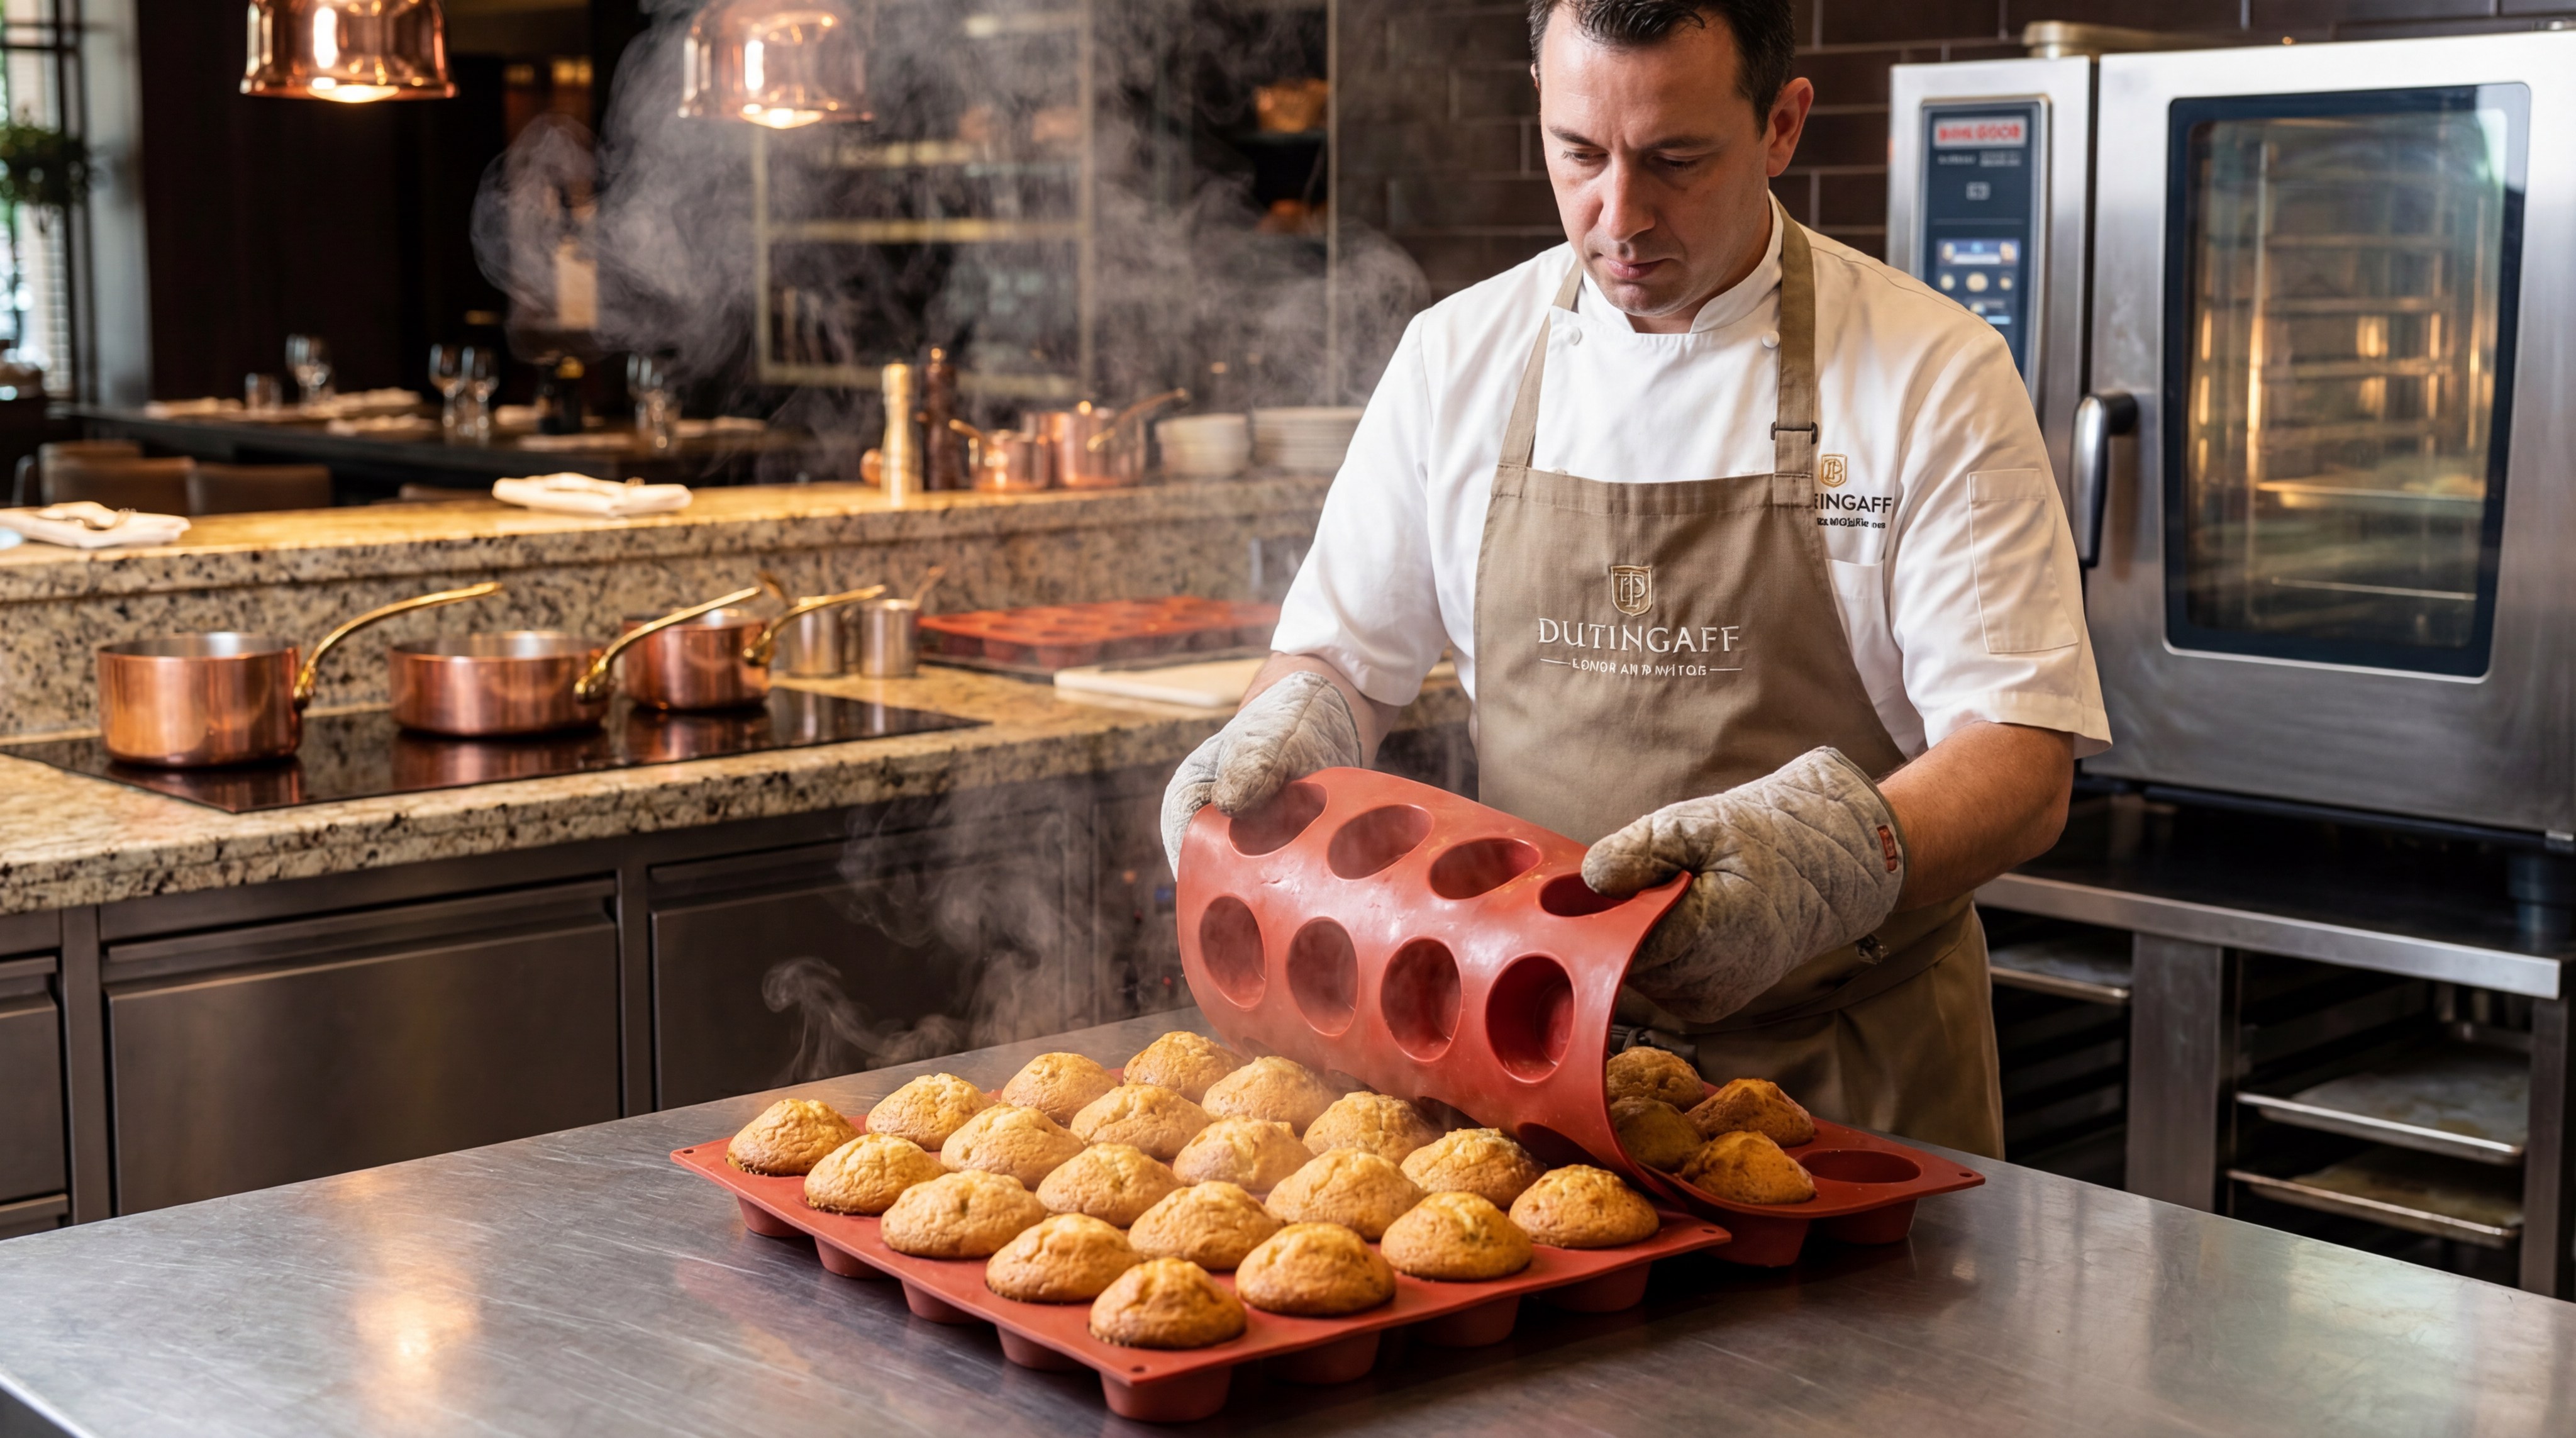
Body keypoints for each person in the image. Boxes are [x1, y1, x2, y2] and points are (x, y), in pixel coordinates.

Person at [1162, 0, 2109, 1158]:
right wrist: (1293, 725)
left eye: (1674, 160)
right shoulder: (1459, 358)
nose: (1619, 216)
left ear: (1783, 127)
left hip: (1840, 1088)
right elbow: (1341, 658)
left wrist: (1820, 860)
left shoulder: (1934, 375)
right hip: (1524, 1069)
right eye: (1579, 155)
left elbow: (2022, 756)